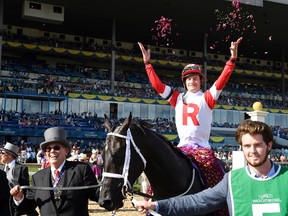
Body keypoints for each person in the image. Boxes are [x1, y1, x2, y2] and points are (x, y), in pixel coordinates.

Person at [138, 38, 242, 190]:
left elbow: (222, 81)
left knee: (216, 177)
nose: (192, 81)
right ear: (184, 82)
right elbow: (157, 85)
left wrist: (232, 60)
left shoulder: (207, 97)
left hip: (203, 148)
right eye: (189, 79)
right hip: (182, 148)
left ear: (201, 81)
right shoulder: (177, 98)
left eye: (195, 78)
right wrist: (147, 64)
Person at [135, 119, 288, 215]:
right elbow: (196, 202)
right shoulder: (231, 180)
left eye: (257, 145)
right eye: (247, 146)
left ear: (269, 146)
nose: (252, 151)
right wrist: (156, 205)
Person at [10, 127, 100, 216]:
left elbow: (98, 195)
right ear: (45, 154)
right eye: (48, 149)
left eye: (56, 147)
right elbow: (28, 208)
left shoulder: (81, 170)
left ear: (66, 151)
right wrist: (19, 198)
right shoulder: (37, 177)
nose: (52, 151)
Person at [0, 142, 36, 216]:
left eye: (2, 153)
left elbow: (26, 189)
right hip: (2, 204)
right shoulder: (1, 168)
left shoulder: (21, 168)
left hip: (15, 204)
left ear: (10, 155)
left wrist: (25, 206)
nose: (0, 155)